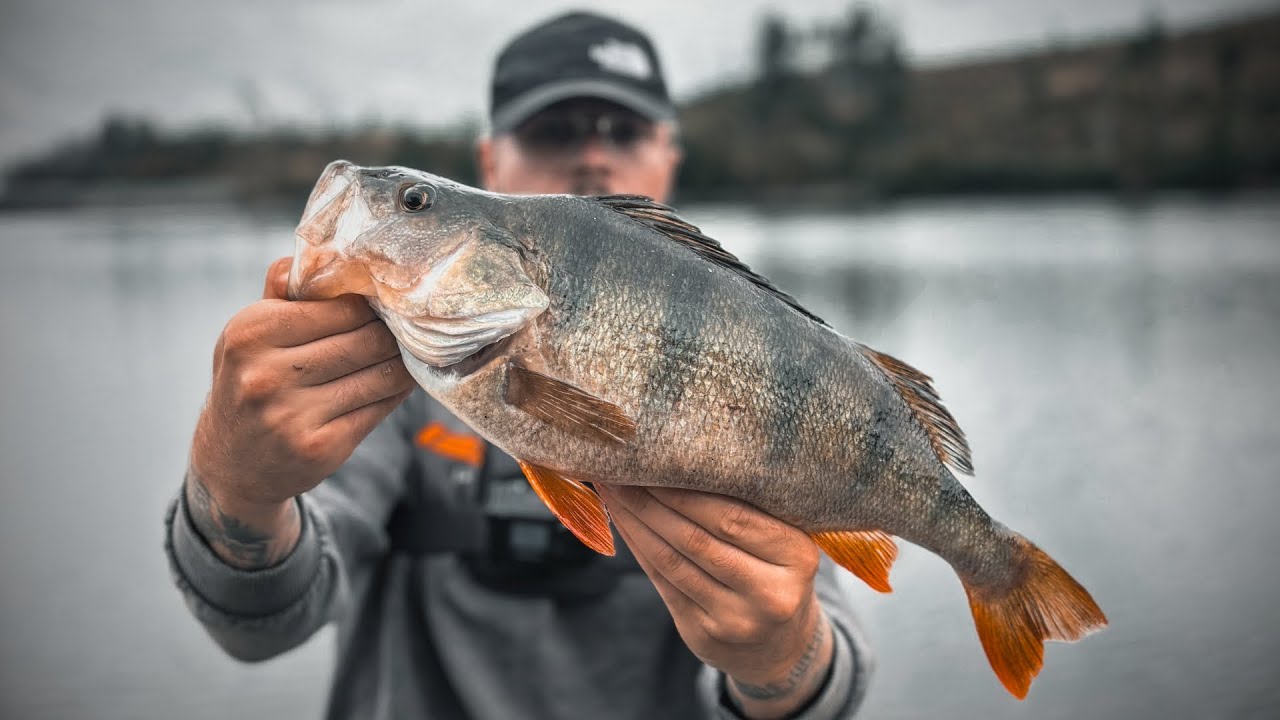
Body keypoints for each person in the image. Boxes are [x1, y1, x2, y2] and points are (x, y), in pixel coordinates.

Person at [166, 11, 872, 720]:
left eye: (625, 132)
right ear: (488, 163)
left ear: (669, 157)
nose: (593, 157)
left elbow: (829, 678)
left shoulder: (758, 360)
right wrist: (236, 493)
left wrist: (781, 660)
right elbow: (260, 623)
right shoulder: (380, 373)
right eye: (553, 130)